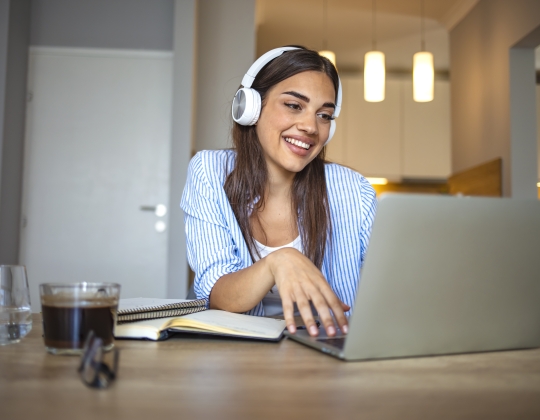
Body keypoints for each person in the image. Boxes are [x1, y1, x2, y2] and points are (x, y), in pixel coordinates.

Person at [181, 46, 377, 338]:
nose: (311, 126)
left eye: (324, 115)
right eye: (294, 106)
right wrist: (279, 261)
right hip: (236, 356)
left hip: (327, 354)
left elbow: (391, 287)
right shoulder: (209, 172)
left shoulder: (354, 190)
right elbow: (216, 292)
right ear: (251, 108)